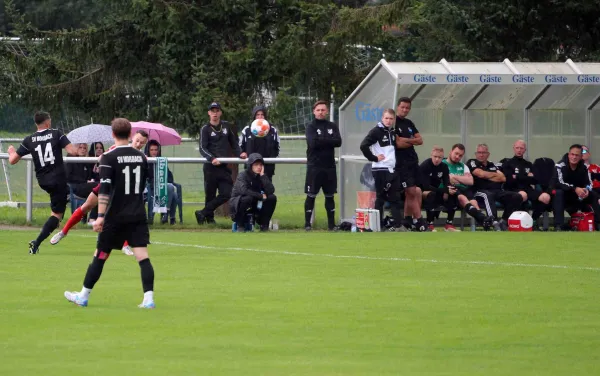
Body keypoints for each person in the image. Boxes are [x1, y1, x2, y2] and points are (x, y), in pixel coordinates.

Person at [64, 118, 155, 309]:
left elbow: (104, 189)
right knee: (143, 256)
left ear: (113, 135)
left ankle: (83, 296)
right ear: (130, 134)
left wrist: (100, 217)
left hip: (115, 216)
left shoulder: (108, 157)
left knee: (101, 255)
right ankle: (148, 299)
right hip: (137, 215)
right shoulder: (142, 158)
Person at [49, 130, 149, 256]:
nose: (139, 144)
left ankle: (124, 245)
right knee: (86, 206)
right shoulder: (116, 148)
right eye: (137, 140)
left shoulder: (142, 157)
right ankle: (63, 232)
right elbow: (103, 159)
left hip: (123, 191)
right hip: (106, 185)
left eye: (142, 143)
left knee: (123, 215)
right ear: (132, 138)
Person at [7, 111, 78, 254]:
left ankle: (63, 206)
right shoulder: (57, 134)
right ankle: (36, 243)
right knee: (57, 215)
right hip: (58, 179)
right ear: (48, 122)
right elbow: (73, 151)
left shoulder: (29, 139)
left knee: (58, 210)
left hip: (43, 180)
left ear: (36, 124)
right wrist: (71, 143)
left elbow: (12, 160)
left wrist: (11, 151)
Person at [422, 145, 492, 231]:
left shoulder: (463, 166)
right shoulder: (441, 163)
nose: (457, 157)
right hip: (448, 190)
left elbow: (470, 181)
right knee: (458, 195)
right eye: (456, 153)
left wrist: (455, 177)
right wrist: (460, 180)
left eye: (460, 155)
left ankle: (483, 219)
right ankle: (483, 219)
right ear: (450, 152)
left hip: (463, 189)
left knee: (473, 201)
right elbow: (447, 181)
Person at [196, 102, 244, 225]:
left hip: (223, 167)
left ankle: (202, 212)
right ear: (209, 113)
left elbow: (234, 143)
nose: (215, 113)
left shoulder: (226, 126)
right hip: (210, 167)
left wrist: (240, 154)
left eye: (217, 111)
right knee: (210, 194)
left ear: (220, 112)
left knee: (227, 193)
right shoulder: (205, 129)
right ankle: (209, 218)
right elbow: (202, 148)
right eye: (212, 111)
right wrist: (212, 158)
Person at [359, 108, 403, 230]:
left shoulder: (392, 132)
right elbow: (363, 146)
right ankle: (376, 226)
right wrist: (374, 158)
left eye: (391, 118)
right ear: (382, 118)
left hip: (391, 169)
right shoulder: (376, 131)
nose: (388, 121)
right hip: (380, 169)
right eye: (386, 118)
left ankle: (398, 226)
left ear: (394, 119)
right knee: (381, 197)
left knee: (395, 198)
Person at [304, 100, 342, 231]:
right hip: (314, 166)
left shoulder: (332, 125)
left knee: (330, 196)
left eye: (323, 110)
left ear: (327, 111)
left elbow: (338, 142)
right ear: (314, 111)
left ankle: (331, 225)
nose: (321, 112)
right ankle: (307, 224)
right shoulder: (311, 127)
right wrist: (329, 141)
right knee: (311, 195)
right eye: (318, 110)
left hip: (329, 167)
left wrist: (321, 140)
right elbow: (312, 143)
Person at [467, 144, 522, 230]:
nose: (481, 155)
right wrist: (494, 175)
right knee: (488, 194)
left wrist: (486, 175)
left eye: (483, 153)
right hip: (480, 191)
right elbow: (480, 174)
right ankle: (493, 221)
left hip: (497, 191)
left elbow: (503, 178)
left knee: (517, 196)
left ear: (488, 154)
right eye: (479, 152)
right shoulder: (472, 162)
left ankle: (504, 221)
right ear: (476, 154)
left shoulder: (492, 165)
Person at [501, 140, 552, 230]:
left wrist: (517, 176)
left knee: (546, 197)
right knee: (522, 195)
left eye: (521, 148)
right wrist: (526, 177)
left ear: (525, 150)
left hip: (528, 189)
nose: (519, 150)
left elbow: (535, 180)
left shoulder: (528, 164)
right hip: (513, 189)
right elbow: (509, 180)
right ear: (513, 148)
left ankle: (532, 221)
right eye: (517, 148)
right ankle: (509, 222)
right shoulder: (507, 163)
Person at [394, 97, 426, 231]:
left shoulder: (409, 123)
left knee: (413, 191)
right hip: (401, 163)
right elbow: (398, 144)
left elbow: (420, 140)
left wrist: (406, 139)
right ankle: (419, 221)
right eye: (402, 107)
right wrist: (411, 140)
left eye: (407, 108)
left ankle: (407, 220)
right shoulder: (393, 123)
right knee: (412, 190)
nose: (405, 110)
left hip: (413, 161)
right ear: (397, 107)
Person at [551, 144, 600, 231]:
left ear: (581, 157)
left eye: (577, 155)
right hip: (564, 195)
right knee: (558, 193)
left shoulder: (584, 167)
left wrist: (586, 190)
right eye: (572, 154)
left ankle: (597, 224)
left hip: (578, 196)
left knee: (594, 195)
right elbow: (558, 183)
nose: (574, 157)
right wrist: (575, 189)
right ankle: (559, 226)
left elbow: (589, 183)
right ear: (569, 154)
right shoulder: (559, 166)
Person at [229, 153, 277, 232]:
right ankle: (240, 225)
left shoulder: (262, 176)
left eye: (261, 165)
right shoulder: (242, 175)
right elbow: (243, 191)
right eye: (256, 164)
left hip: (255, 202)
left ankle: (264, 225)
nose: (259, 167)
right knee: (247, 198)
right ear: (250, 165)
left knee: (272, 198)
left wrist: (263, 176)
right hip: (238, 204)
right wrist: (261, 196)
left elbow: (271, 190)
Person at [239, 105, 280, 179]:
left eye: (262, 115)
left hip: (267, 169)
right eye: (257, 115)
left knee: (266, 189)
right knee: (251, 190)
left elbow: (277, 148)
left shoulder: (272, 130)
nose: (260, 117)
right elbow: (240, 146)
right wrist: (242, 152)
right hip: (251, 168)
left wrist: (271, 160)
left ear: (265, 116)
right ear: (254, 116)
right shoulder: (247, 130)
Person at [146, 139, 178, 225]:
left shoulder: (162, 161)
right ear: (148, 150)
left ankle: (171, 218)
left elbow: (169, 177)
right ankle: (165, 213)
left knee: (174, 194)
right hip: (151, 188)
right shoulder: (145, 161)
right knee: (170, 187)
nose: (154, 152)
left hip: (163, 187)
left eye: (156, 150)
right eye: (151, 150)